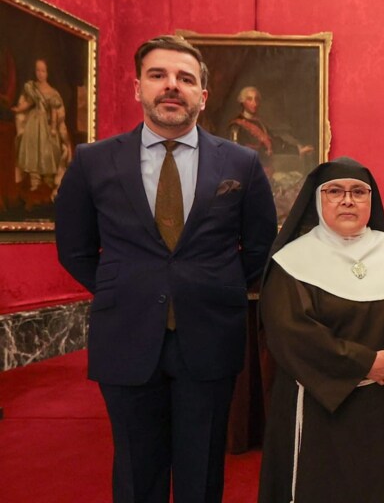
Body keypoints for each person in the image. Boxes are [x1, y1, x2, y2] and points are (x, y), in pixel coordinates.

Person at [54, 35, 277, 503]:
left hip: (210, 336)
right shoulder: (93, 161)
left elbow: (259, 247)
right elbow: (74, 249)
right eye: (158, 76)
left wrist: (213, 286)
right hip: (126, 335)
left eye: (185, 78)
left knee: (203, 472)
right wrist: (126, 287)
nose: (171, 86)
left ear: (203, 96)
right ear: (138, 88)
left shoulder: (242, 162)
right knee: (137, 471)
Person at [257, 157, 384, 502]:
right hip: (320, 406)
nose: (347, 200)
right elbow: (290, 333)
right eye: (335, 191)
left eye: (358, 192)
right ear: (318, 200)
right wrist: (366, 363)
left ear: (371, 200)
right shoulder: (292, 261)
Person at [11, 58, 72, 199]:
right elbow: (27, 103)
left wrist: (52, 127)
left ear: (47, 73)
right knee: (32, 149)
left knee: (47, 150)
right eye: (37, 70)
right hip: (33, 122)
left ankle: (48, 179)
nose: (40, 73)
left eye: (43, 70)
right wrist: (18, 109)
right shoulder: (32, 88)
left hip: (47, 124)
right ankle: (35, 180)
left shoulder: (52, 92)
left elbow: (55, 112)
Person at [227, 85, 314, 173]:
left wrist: (298, 150)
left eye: (256, 99)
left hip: (266, 171)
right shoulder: (236, 126)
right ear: (242, 102)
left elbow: (275, 143)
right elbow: (236, 154)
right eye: (249, 99)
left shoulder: (260, 124)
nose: (254, 103)